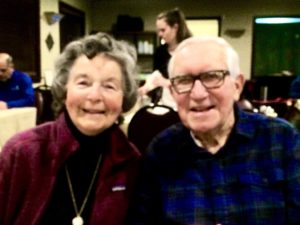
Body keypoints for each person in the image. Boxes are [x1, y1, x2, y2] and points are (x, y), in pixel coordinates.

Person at [126, 37, 300, 225]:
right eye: (184, 80)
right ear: (173, 92)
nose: (198, 94)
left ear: (237, 85)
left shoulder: (281, 141)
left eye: (212, 77)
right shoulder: (160, 152)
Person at [0, 32, 141, 225]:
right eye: (83, 83)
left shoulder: (131, 162)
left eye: (109, 86)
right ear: (65, 91)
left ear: (124, 98)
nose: (94, 96)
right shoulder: (22, 152)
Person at [138, 7, 192, 108]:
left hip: (187, 104)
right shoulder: (160, 52)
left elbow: (192, 82)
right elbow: (156, 76)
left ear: (175, 28)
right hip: (167, 104)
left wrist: (166, 83)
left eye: (163, 30)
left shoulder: (190, 50)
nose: (160, 34)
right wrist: (145, 88)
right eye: (158, 31)